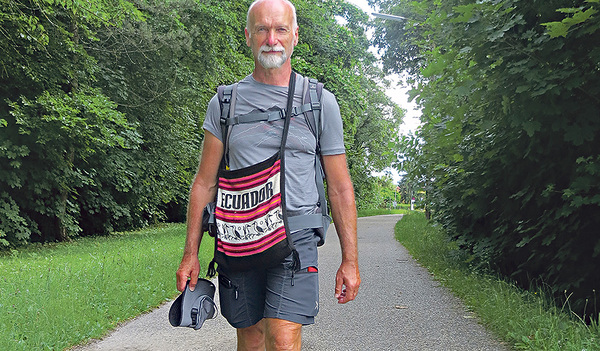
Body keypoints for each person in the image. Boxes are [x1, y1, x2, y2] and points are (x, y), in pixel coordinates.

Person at [176, 0, 361, 349]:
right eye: (262, 29)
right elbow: (205, 182)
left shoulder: (319, 102)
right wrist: (191, 253)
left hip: (296, 237)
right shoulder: (225, 103)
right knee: (251, 335)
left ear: (294, 36)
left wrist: (350, 261)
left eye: (280, 29)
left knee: (283, 337)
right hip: (240, 235)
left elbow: (339, 187)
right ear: (248, 36)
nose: (271, 38)